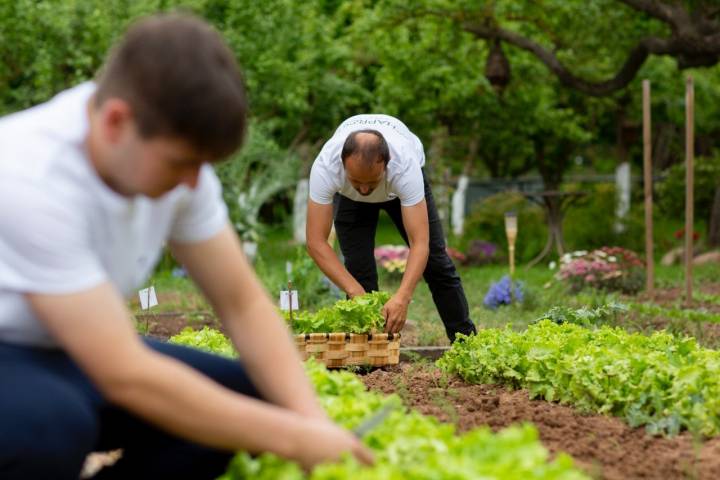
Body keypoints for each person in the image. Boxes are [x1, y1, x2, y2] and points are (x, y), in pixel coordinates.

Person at [0, 13, 371, 480]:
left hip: (63, 352)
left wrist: (308, 418)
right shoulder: (29, 177)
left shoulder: (175, 162)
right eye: (182, 162)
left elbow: (242, 304)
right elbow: (124, 375)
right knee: (48, 429)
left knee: (247, 397)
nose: (194, 183)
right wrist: (291, 437)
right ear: (116, 121)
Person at [306, 114, 477, 342]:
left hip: (398, 193)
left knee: (437, 264)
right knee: (358, 271)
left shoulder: (405, 166)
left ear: (387, 164)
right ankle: (367, 357)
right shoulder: (326, 167)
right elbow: (316, 242)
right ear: (342, 164)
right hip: (348, 199)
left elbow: (420, 243)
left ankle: (466, 342)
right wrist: (355, 292)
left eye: (372, 182)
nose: (365, 190)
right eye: (357, 181)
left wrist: (403, 297)